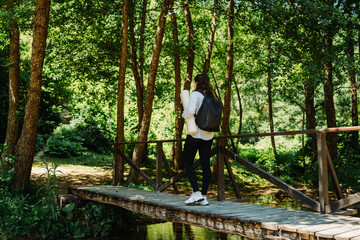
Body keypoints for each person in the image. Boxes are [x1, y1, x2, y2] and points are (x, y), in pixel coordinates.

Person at [182, 73, 214, 206]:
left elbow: (190, 111)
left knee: (187, 161)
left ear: (196, 83)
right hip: (209, 135)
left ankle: (196, 193)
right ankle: (204, 196)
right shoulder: (211, 96)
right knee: (206, 165)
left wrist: (184, 114)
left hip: (195, 133)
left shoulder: (196, 95)